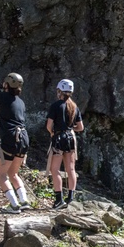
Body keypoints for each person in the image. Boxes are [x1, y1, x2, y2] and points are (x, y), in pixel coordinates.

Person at [0, 73, 30, 213]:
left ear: (6, 84)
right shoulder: (20, 102)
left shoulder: (2, 96)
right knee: (13, 173)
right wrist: (0, 123)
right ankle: (24, 201)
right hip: (23, 139)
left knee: (1, 175)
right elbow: (14, 119)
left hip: (9, 140)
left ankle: (14, 205)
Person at [46, 79, 85, 209]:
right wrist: (70, 129)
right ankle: (71, 197)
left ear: (59, 91)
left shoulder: (56, 105)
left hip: (58, 138)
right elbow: (80, 127)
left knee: (55, 169)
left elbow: (49, 125)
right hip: (71, 138)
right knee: (71, 169)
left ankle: (59, 199)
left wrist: (53, 132)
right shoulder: (74, 107)